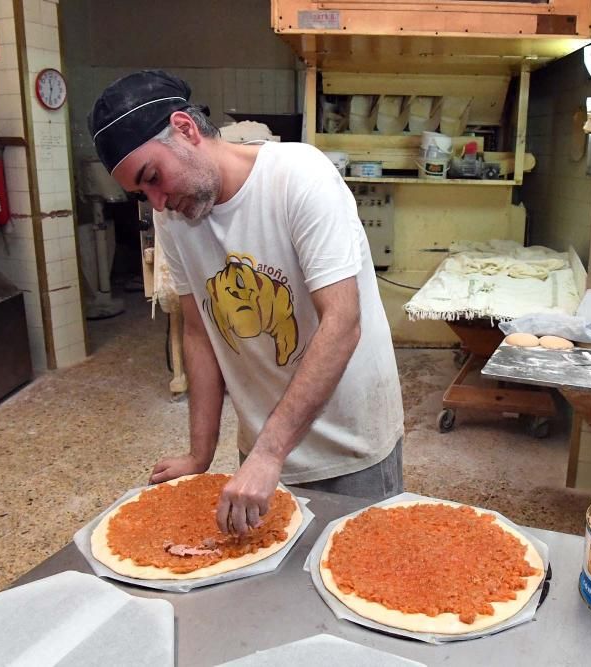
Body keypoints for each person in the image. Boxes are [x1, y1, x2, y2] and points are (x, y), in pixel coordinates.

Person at [89, 70, 404, 536]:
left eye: (153, 177)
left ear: (186, 129)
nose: (157, 201)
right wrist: (201, 453)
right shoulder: (173, 218)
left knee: (366, 579)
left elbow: (342, 322)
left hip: (350, 444)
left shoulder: (299, 176)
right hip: (260, 451)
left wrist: (270, 453)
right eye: (142, 193)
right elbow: (198, 332)